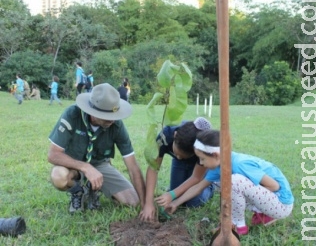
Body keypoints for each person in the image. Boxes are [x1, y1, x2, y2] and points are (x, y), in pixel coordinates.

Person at [166, 129, 294, 235]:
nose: (200, 163)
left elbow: (274, 186)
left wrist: (251, 196)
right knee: (225, 184)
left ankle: (238, 226)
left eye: (202, 158)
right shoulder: (220, 165)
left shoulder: (239, 163)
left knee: (232, 183)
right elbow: (198, 187)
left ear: (216, 155)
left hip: (281, 204)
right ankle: (264, 214)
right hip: (270, 199)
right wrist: (175, 203)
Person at [47, 83, 146, 213]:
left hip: (100, 165)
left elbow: (132, 166)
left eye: (114, 116)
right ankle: (78, 192)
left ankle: (93, 188)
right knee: (58, 176)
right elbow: (53, 154)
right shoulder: (72, 115)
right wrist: (85, 167)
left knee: (133, 201)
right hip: (73, 165)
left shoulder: (116, 125)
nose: (112, 121)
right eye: (107, 117)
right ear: (93, 111)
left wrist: (145, 204)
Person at [139, 118, 217, 222]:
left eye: (183, 155)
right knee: (177, 196)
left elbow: (196, 177)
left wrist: (171, 194)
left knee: (193, 202)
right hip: (179, 164)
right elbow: (153, 168)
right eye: (177, 153)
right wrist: (148, 203)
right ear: (175, 136)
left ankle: (210, 186)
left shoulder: (202, 148)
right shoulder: (166, 135)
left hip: (198, 166)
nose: (179, 157)